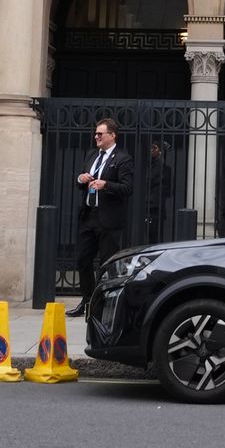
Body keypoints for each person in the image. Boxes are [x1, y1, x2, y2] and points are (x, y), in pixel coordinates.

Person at [74, 116, 131, 311]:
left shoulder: (123, 158)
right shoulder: (92, 155)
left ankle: (103, 303)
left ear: (112, 135)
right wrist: (81, 179)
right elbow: (81, 181)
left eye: (100, 133)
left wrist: (105, 184)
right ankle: (87, 300)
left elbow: (127, 188)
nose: (96, 136)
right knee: (83, 259)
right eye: (96, 133)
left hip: (108, 218)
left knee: (107, 263)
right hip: (89, 215)